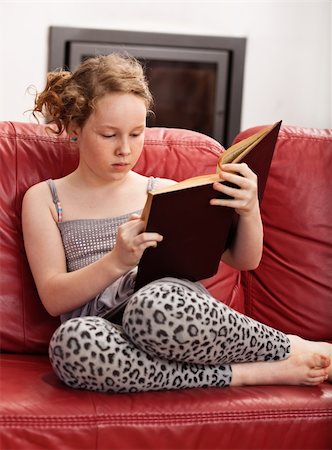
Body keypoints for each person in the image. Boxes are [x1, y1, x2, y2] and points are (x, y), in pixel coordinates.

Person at [22, 53, 331, 393]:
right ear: (76, 129)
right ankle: (253, 373)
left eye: (137, 134)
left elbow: (244, 261)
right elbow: (53, 298)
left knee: (150, 306)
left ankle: (291, 346)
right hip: (106, 332)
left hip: (169, 313)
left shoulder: (165, 192)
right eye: (109, 135)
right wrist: (117, 261)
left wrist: (248, 209)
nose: (125, 149)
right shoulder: (45, 199)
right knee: (69, 345)